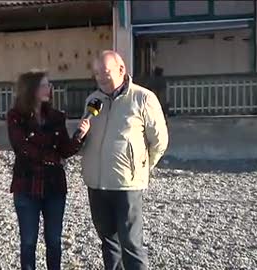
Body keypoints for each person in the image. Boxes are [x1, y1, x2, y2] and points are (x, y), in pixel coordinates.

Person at [81, 50, 169, 270]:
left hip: (126, 185)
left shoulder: (143, 98)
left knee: (131, 243)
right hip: (96, 184)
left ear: (122, 70)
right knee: (109, 243)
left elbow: (159, 141)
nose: (100, 77)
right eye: (96, 73)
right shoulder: (93, 100)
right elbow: (89, 139)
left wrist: (141, 167)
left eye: (105, 72)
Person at [6, 70, 90, 270]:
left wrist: (80, 136)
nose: (49, 88)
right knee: (28, 241)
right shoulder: (15, 116)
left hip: (54, 187)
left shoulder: (56, 117)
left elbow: (65, 149)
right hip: (27, 186)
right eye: (44, 85)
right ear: (31, 89)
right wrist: (52, 156)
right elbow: (22, 148)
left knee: (54, 241)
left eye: (49, 84)